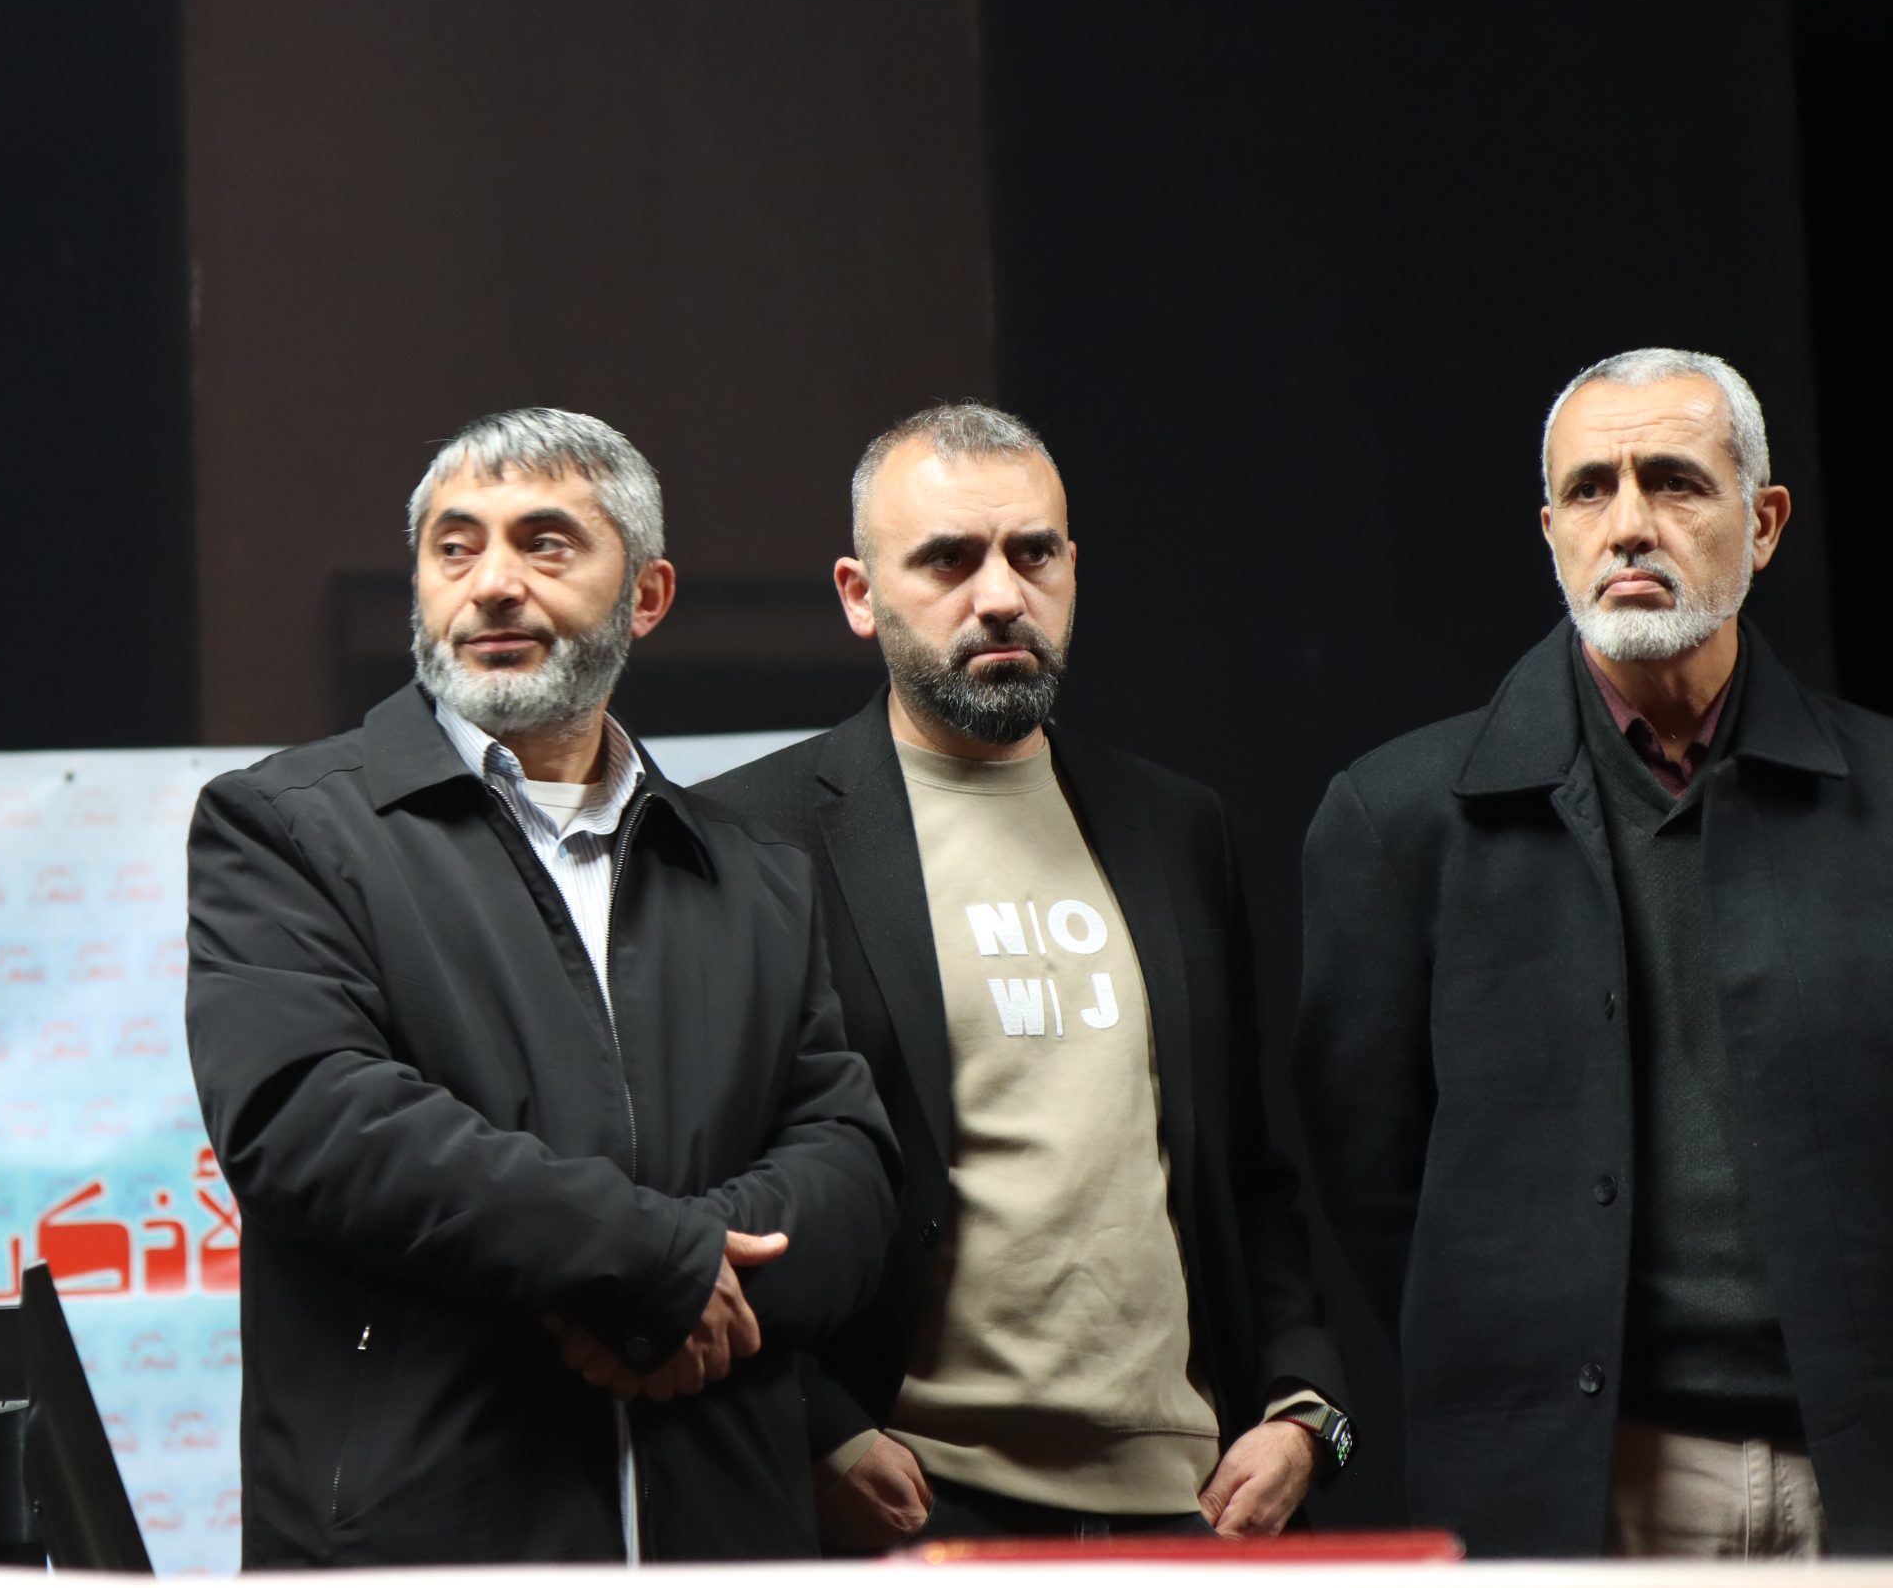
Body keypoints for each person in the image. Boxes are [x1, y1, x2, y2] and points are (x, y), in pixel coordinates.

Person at [185, 408, 899, 1567]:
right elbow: (310, 1119)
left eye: (546, 543)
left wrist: (692, 1280)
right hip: (423, 1543)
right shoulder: (287, 826)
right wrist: (651, 1264)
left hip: (726, 1531)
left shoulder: (752, 870)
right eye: (454, 547)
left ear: (647, 596)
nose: (492, 585)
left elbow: (849, 1167)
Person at [699, 403, 1348, 1549]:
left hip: (1190, 1506)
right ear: (858, 593)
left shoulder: (1173, 826)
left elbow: (1239, 1166)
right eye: (947, 560)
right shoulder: (750, 835)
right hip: (916, 1504)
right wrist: (817, 1431)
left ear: (1072, 570)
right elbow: (703, 1191)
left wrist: (1304, 1406)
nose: (999, 595)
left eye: (1032, 553)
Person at [1294, 348, 1893, 1555]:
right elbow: (1373, 1179)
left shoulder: (1883, 796)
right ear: (1550, 532)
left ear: (1763, 524)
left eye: (1673, 482)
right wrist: (1519, 1355)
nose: (1626, 525)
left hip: (1863, 1465)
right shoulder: (1398, 819)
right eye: (1588, 490)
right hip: (1578, 1486)